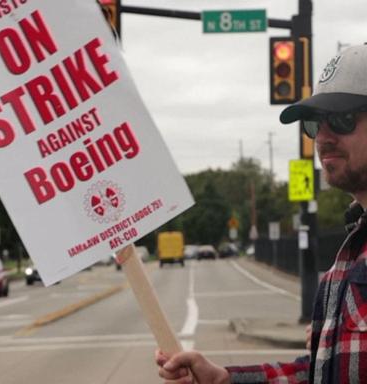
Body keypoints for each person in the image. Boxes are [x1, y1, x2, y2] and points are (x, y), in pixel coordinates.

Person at [155, 43, 367, 383]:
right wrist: (223, 378)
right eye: (315, 124)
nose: (323, 137)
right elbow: (318, 372)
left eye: (342, 120)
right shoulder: (347, 258)